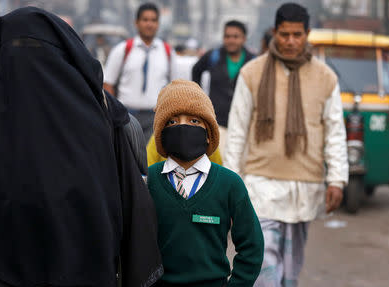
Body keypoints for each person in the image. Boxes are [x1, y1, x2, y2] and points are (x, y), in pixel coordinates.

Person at [0, 7, 162, 287]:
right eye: (17, 49)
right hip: (33, 271)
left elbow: (129, 200)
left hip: (27, 270)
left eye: (34, 49)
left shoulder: (102, 114)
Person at [224, 3, 349, 287]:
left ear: (307, 34)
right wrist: (231, 185)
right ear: (274, 33)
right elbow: (237, 132)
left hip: (304, 187)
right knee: (265, 269)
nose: (290, 41)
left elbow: (334, 132)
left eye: (297, 34)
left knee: (290, 274)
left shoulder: (326, 78)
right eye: (284, 34)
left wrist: (338, 180)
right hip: (260, 186)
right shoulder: (252, 73)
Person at [147, 79, 264, 287]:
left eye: (194, 121)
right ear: (161, 135)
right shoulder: (148, 182)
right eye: (172, 122)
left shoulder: (230, 184)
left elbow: (252, 245)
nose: (183, 127)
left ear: (209, 134)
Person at [103, 2, 175, 142]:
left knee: (150, 161)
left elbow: (175, 86)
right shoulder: (123, 49)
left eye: (153, 20)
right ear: (136, 22)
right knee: (127, 159)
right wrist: (114, 113)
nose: (149, 24)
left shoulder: (167, 52)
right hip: (127, 116)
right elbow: (108, 83)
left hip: (156, 118)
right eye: (145, 20)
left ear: (158, 24)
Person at [192, 20, 255, 157]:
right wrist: (200, 97)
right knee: (219, 161)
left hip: (243, 124)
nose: (231, 40)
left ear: (244, 38)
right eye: (227, 36)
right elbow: (196, 70)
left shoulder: (252, 61)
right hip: (217, 122)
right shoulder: (213, 56)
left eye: (235, 36)